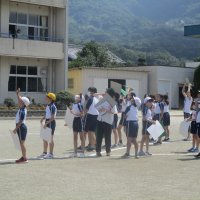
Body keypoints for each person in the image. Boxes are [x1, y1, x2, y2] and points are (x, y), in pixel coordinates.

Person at [96, 88, 116, 157]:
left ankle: (108, 151)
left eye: (106, 92)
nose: (105, 93)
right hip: (100, 119)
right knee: (99, 136)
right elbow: (97, 108)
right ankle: (98, 151)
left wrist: (106, 110)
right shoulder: (102, 100)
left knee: (108, 137)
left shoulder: (112, 101)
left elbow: (114, 112)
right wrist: (100, 109)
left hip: (107, 121)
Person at [13, 88, 30, 163]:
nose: (18, 101)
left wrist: (15, 129)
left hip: (21, 127)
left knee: (22, 143)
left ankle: (24, 158)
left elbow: (20, 121)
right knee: (21, 143)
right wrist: (17, 94)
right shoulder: (22, 108)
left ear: (23, 103)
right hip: (21, 127)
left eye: (20, 101)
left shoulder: (22, 111)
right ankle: (24, 157)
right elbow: (20, 99)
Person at [39, 93, 57, 159]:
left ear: (50, 99)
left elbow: (53, 117)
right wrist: (43, 118)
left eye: (47, 97)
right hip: (47, 122)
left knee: (50, 139)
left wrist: (46, 123)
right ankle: (44, 153)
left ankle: (51, 154)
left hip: (51, 123)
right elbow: (47, 114)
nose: (46, 97)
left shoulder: (52, 106)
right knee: (45, 138)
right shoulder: (48, 105)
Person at [122, 94, 139, 158]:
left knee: (129, 139)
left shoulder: (129, 107)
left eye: (133, 99)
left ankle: (127, 153)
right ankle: (136, 154)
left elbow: (125, 116)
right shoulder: (136, 108)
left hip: (130, 123)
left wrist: (124, 125)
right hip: (136, 123)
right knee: (134, 139)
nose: (131, 99)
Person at [84, 87, 99, 151]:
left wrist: (83, 115)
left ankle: (86, 145)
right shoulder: (96, 99)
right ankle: (93, 145)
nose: (89, 92)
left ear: (92, 92)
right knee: (91, 132)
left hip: (90, 116)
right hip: (96, 116)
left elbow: (86, 108)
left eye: (89, 91)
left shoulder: (90, 98)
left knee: (86, 132)